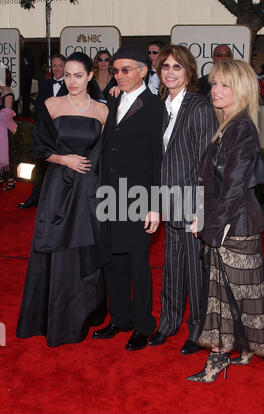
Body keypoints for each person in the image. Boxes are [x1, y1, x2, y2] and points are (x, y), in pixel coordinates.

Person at [187, 59, 264, 383]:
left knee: (223, 298)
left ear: (240, 90)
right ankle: (245, 348)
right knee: (237, 295)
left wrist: (209, 229)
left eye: (224, 85)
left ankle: (217, 360)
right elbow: (213, 184)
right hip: (229, 224)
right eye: (214, 83)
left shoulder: (241, 128)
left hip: (234, 228)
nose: (215, 90)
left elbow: (232, 189)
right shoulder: (227, 125)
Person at [16, 52, 110, 347]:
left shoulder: (103, 111)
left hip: (89, 190)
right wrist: (64, 159)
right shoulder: (51, 105)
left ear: (90, 76)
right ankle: (50, 317)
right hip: (58, 186)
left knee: (84, 247)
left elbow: (106, 154)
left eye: (78, 75)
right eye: (67, 75)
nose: (71, 81)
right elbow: (37, 148)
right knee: (55, 243)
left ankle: (82, 313)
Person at [92, 46, 163, 351]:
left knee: (138, 262)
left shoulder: (156, 106)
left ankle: (143, 324)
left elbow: (159, 159)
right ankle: (119, 317)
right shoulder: (111, 98)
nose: (119, 75)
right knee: (112, 258)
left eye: (126, 70)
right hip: (108, 193)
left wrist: (155, 205)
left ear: (143, 71)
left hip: (138, 195)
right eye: (116, 70)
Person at [148, 45, 218, 354]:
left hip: (192, 199)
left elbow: (207, 160)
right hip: (169, 198)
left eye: (177, 67)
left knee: (197, 269)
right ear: (159, 72)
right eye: (165, 67)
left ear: (188, 72)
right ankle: (168, 323)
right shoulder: (162, 104)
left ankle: (198, 329)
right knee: (171, 266)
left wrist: (201, 210)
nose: (170, 72)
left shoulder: (199, 106)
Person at [18, 53, 68, 209]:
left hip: (63, 135)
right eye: (55, 65)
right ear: (51, 67)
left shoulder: (72, 85)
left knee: (62, 171)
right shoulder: (45, 85)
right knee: (40, 169)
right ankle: (35, 199)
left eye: (60, 65)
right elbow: (39, 109)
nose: (57, 69)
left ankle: (61, 203)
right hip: (46, 134)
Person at [0, 68, 17, 191]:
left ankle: (11, 180)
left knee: (7, 154)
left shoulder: (7, 92)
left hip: (5, 129)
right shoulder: (1, 90)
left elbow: (6, 114)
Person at [20, 34, 35, 117]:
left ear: (24, 41)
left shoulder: (27, 52)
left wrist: (30, 76)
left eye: (21, 40)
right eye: (18, 40)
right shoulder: (14, 51)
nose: (20, 42)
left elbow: (32, 65)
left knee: (26, 98)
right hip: (16, 81)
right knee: (15, 99)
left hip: (26, 80)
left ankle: (25, 116)